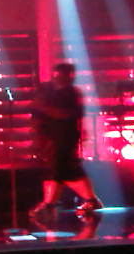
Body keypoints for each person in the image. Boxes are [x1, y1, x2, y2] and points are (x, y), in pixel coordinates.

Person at [28, 62, 102, 217]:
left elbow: (67, 114)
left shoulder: (72, 94)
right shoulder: (46, 89)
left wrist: (44, 109)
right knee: (58, 169)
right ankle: (51, 203)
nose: (59, 78)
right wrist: (37, 133)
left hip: (65, 136)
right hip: (49, 135)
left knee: (60, 169)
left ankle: (53, 203)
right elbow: (36, 111)